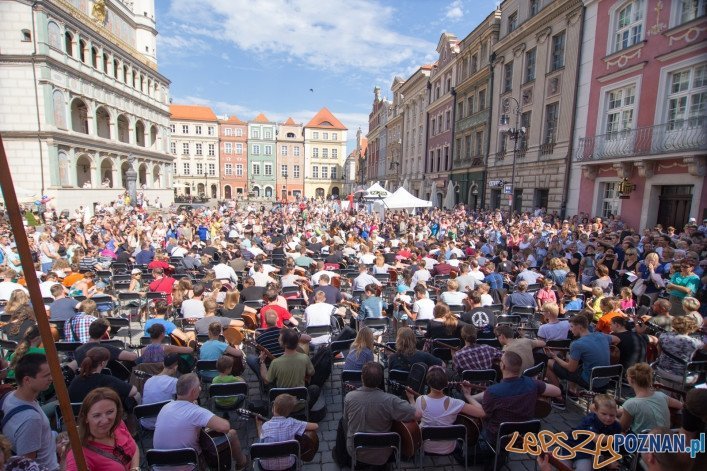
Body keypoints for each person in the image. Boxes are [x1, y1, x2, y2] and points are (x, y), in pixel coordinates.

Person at [333, 361, 419, 467]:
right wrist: (411, 399)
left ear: (362, 378)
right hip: (383, 454)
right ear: (380, 381)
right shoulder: (391, 400)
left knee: (342, 421)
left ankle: (341, 457)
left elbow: (346, 422)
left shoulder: (349, 397)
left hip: (355, 451)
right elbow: (417, 415)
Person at [153, 373, 247, 469]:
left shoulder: (165, 407)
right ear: (193, 391)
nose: (200, 389)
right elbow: (225, 426)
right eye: (199, 386)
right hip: (190, 464)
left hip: (159, 464)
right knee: (232, 434)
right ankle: (242, 462)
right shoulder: (196, 412)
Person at [472, 351, 561, 452]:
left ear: (502, 365)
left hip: (498, 437)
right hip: (525, 434)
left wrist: (468, 397)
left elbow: (483, 414)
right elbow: (557, 391)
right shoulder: (531, 383)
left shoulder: (492, 392)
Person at [0, 353, 59, 471]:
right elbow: (26, 464)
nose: (51, 378)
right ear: (27, 379)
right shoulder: (32, 419)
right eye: (46, 375)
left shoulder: (8, 397)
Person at [408, 365, 483, 455]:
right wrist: (468, 395)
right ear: (446, 383)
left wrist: (411, 399)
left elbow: (416, 418)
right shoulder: (455, 403)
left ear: (428, 383)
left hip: (425, 446)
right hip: (449, 448)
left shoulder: (420, 400)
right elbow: (482, 413)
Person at [545, 315, 612, 409]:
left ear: (579, 327)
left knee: (547, 362)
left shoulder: (577, 344)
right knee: (574, 361)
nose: (570, 330)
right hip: (605, 377)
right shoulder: (601, 335)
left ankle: (558, 396)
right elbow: (617, 339)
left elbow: (571, 369)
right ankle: (572, 391)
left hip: (591, 380)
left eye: (572, 327)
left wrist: (555, 358)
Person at [65, 387, 140, 471]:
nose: (105, 420)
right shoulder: (78, 456)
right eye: (97, 415)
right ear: (85, 417)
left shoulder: (118, 424)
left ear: (117, 410)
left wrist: (135, 468)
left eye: (110, 412)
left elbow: (133, 446)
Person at [256, 393, 319, 470]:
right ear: (289, 412)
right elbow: (315, 426)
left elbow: (261, 438)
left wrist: (259, 426)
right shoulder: (292, 423)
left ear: (273, 408)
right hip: (289, 465)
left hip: (266, 467)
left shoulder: (265, 426)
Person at [559, 394, 622, 471]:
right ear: (596, 411)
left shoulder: (616, 426)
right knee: (562, 467)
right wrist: (618, 438)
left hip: (585, 454)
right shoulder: (590, 420)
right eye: (604, 414)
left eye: (612, 415)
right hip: (570, 448)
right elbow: (595, 438)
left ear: (616, 413)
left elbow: (612, 447)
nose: (608, 418)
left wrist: (610, 460)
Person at [260, 328, 320, 408]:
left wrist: (262, 362)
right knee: (315, 388)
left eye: (280, 338)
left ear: (284, 344)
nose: (278, 339)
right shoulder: (304, 358)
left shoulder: (275, 363)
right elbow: (311, 372)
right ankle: (306, 411)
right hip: (300, 404)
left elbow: (266, 381)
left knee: (270, 387)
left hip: (282, 406)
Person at [68, 347, 141, 408]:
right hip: (98, 414)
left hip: (77, 416)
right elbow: (133, 391)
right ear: (103, 363)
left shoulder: (76, 379)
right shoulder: (105, 379)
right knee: (136, 395)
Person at [620, 363, 682, 433]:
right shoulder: (661, 395)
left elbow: (622, 427)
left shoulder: (630, 404)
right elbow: (680, 405)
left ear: (631, 380)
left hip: (642, 441)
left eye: (626, 376)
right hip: (665, 437)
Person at [653, 315, 704, 385]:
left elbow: (658, 353)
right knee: (700, 371)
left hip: (661, 370)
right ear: (692, 328)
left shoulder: (663, 336)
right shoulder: (694, 342)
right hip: (681, 375)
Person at [71, 318, 138, 369]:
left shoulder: (78, 350)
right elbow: (133, 357)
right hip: (104, 382)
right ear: (104, 334)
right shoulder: (105, 349)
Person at [140, 354, 180, 430]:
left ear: (163, 364)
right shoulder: (174, 382)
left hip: (146, 423)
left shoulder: (148, 381)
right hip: (164, 424)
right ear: (176, 367)